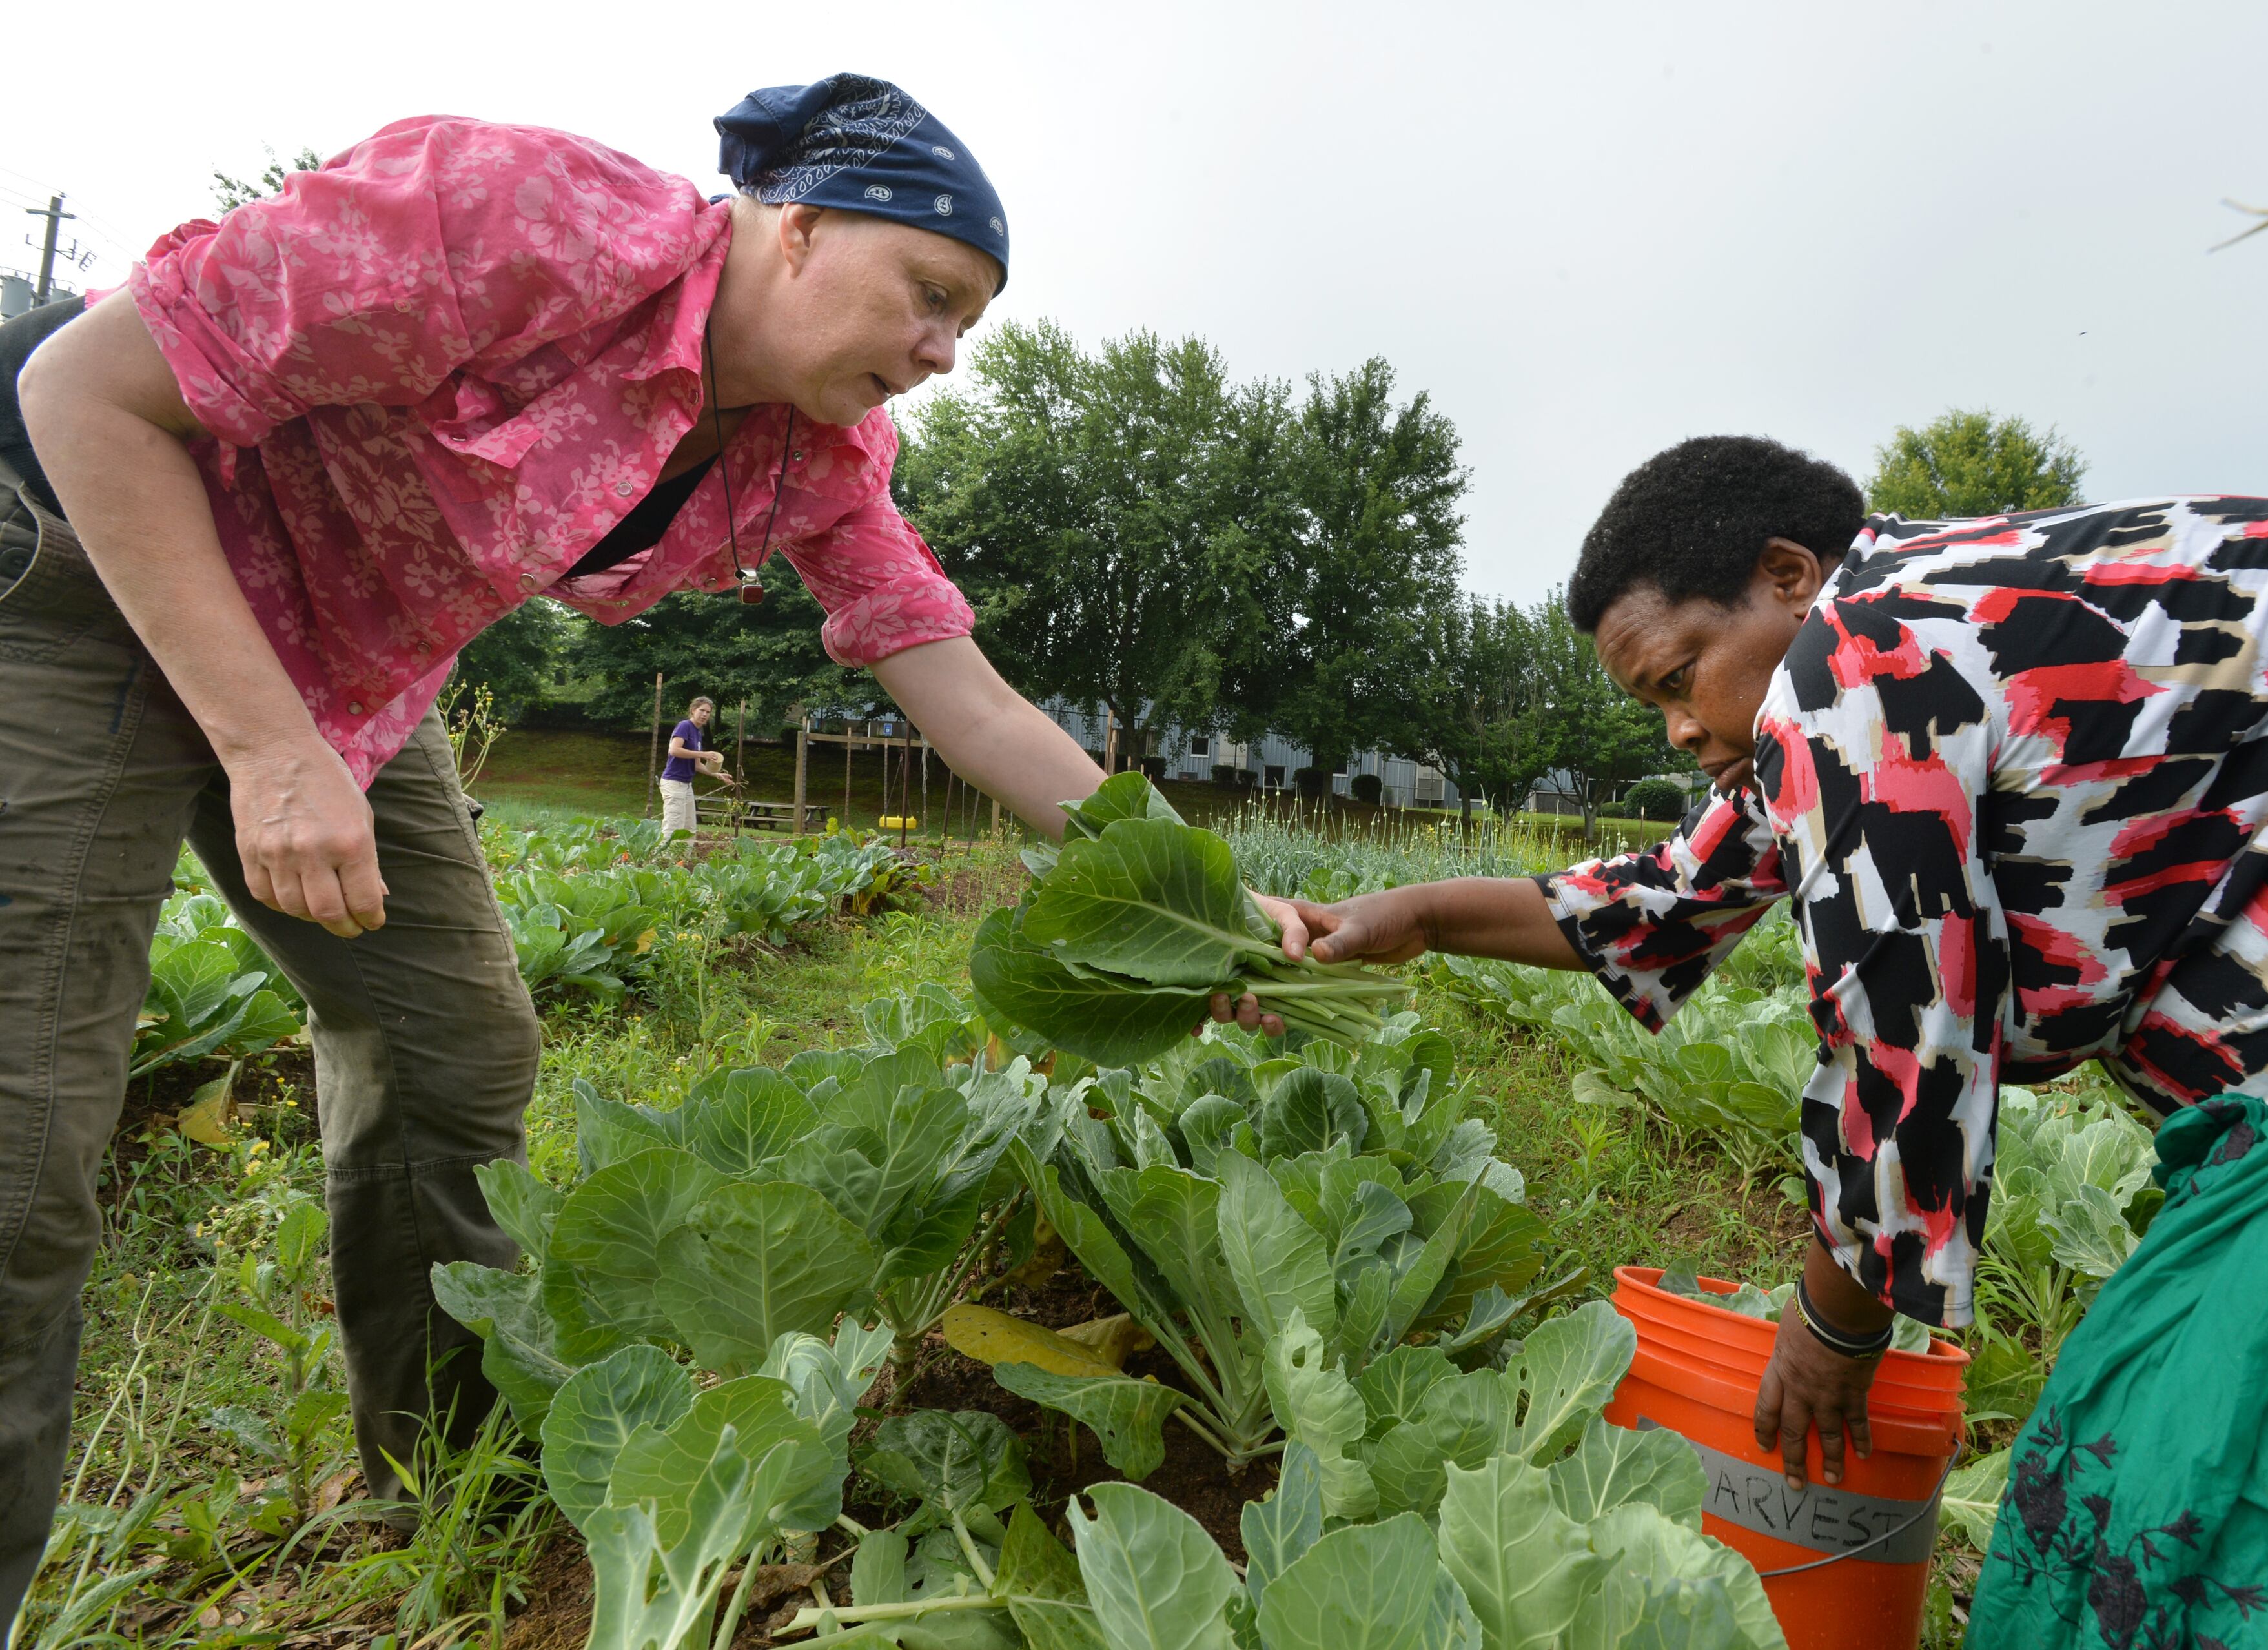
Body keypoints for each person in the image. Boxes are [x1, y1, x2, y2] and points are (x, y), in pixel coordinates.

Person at [0, 74, 1301, 1624]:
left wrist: (1198, 902)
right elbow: (83, 391)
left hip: (347, 657)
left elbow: (964, 693)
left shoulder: (815, 451)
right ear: (799, 227)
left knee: (454, 1050)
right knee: (26, 1149)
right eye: (932, 296)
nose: (944, 352)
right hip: (84, 562)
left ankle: (436, 1478)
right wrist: (270, 751)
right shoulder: (523, 223)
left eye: (969, 326)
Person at [1251, 436, 2268, 1646]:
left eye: (1680, 678)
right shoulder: (1906, 636)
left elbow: (1905, 1020)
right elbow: (1661, 901)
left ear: (1790, 576)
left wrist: (1837, 1319)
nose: (1678, 730)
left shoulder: (1864, 654)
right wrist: (1406, 915)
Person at [661, 697, 733, 836]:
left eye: (708, 712)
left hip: (687, 785)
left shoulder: (697, 734)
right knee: (673, 826)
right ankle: (665, 858)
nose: (705, 714)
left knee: (689, 828)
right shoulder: (684, 726)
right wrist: (704, 754)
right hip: (674, 783)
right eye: (702, 710)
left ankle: (684, 858)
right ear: (694, 710)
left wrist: (717, 774)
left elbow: (697, 765)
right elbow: (674, 750)